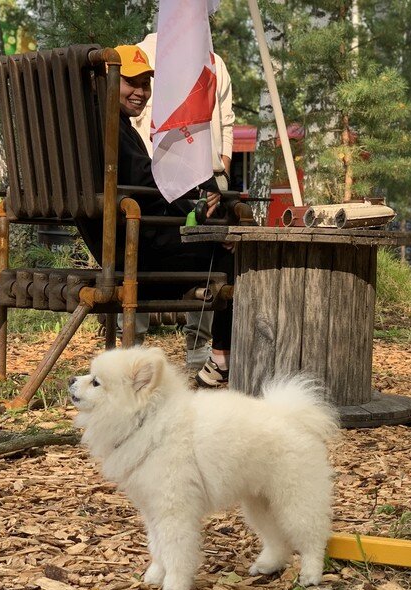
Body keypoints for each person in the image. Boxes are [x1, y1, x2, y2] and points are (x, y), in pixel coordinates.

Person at [77, 45, 233, 388]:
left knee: (219, 239)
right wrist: (193, 206)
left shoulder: (91, 125)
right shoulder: (111, 129)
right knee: (231, 256)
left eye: (146, 83)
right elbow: (149, 183)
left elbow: (144, 181)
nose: (141, 92)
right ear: (106, 81)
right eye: (130, 82)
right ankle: (222, 358)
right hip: (137, 255)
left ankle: (221, 354)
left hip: (117, 246)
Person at [134, 34, 235, 372]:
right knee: (159, 248)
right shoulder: (142, 55)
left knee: (207, 246)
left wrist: (222, 164)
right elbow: (136, 118)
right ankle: (133, 343)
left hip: (206, 177)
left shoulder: (214, 62)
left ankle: (199, 344)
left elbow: (226, 118)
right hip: (154, 179)